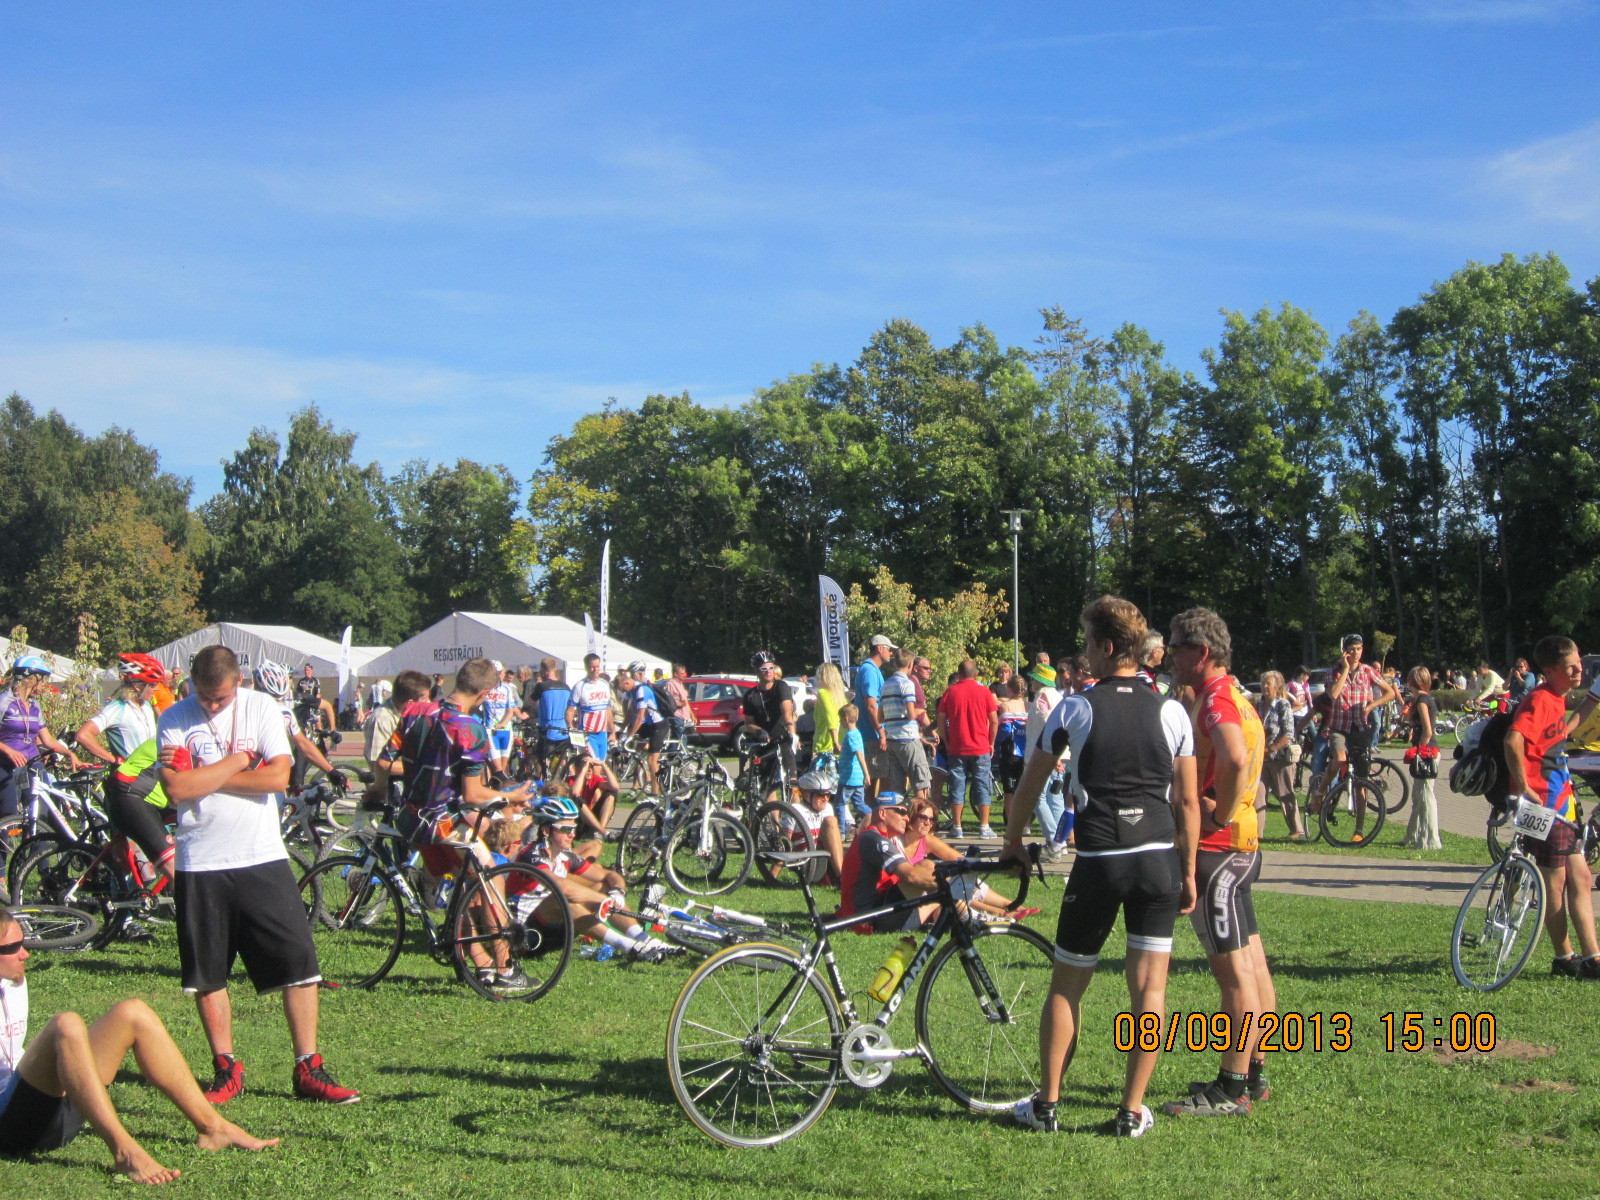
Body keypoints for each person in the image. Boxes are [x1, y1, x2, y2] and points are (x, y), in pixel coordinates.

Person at [1003, 595, 1198, 1138]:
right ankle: (1131, 1111)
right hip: (1157, 861)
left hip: (1099, 860)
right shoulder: (1172, 710)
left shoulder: (1075, 707)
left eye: (1088, 642)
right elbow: (1186, 803)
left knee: (1067, 985)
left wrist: (1013, 839)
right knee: (1149, 992)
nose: (1083, 652)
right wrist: (1187, 873)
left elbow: (1033, 779)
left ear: (1108, 647)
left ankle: (1047, 1105)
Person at [156, 645, 358, 1105]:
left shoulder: (262, 707)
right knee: (207, 974)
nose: (212, 705)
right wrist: (240, 760)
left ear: (239, 682)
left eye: (221, 697)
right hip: (200, 860)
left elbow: (276, 779)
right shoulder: (174, 717)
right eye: (204, 696)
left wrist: (205, 776)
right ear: (191, 682)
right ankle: (226, 1068)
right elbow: (176, 789)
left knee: (299, 964)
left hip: (260, 855)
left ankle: (309, 1068)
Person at [0, 908, 278, 1182]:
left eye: (23, 944)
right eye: (12, 948)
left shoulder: (13, 981)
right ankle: (125, 1153)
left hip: (51, 1113)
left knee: (133, 1013)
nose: (25, 954)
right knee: (67, 1024)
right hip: (11, 1127)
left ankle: (213, 1128)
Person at [1161, 607, 1274, 1117]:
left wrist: (1219, 812)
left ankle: (1231, 1089)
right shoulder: (1239, 698)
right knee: (1253, 967)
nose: (1170, 655)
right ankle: (1253, 1072)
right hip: (1242, 848)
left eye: (1177, 646)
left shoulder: (1217, 701)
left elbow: (1233, 757)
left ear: (1202, 652)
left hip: (1218, 850)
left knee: (1234, 976)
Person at [374, 657, 535, 990]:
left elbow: (383, 761)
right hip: (444, 824)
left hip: (412, 820)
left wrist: (376, 791)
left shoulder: (415, 711)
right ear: (486, 693)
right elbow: (472, 793)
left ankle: (481, 965)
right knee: (491, 879)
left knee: (463, 890)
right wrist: (509, 797)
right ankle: (504, 970)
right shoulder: (470, 729)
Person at [1505, 636, 1600, 977]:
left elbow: (1560, 734)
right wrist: (1524, 786)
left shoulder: (1557, 699)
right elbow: (1512, 740)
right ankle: (1564, 958)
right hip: (1542, 805)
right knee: (1554, 882)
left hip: (1561, 804)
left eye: (1578, 664)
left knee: (1581, 876)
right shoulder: (1540, 699)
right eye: (1569, 667)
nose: (1578, 671)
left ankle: (1592, 957)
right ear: (1549, 670)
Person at [515, 795, 675, 962]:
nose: (573, 835)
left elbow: (609, 875)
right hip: (524, 937)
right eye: (566, 829)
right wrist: (602, 900)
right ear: (546, 831)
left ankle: (644, 939)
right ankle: (631, 947)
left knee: (605, 887)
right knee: (561, 899)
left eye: (574, 828)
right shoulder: (531, 855)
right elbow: (562, 887)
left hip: (553, 930)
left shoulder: (565, 856)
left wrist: (617, 892)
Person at [1315, 634, 1397, 833]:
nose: (1355, 653)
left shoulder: (1367, 671)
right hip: (1339, 727)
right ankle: (1320, 791)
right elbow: (1334, 694)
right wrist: (1344, 669)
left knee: (1361, 782)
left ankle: (1359, 831)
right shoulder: (1334, 671)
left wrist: (1371, 706)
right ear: (1345, 652)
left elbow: (1390, 692)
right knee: (1340, 758)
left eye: (1358, 649)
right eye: (1351, 649)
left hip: (1360, 728)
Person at [0, 656, 86, 817]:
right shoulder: (4, 701)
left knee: (41, 812)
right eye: (42, 680)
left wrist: (70, 754)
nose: (43, 684)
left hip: (32, 763)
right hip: (6, 764)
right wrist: (9, 751)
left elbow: (47, 739)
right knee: (9, 814)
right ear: (31, 679)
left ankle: (39, 834)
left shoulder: (34, 706)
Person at [837, 797, 940, 931]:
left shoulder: (876, 837)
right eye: (901, 812)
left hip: (875, 911)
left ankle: (955, 918)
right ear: (882, 813)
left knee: (929, 873)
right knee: (931, 877)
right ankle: (962, 918)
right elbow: (911, 876)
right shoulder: (874, 839)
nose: (907, 818)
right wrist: (951, 883)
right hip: (867, 921)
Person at [936, 661, 1000, 842]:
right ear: (976, 674)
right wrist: (991, 742)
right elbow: (994, 720)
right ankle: (984, 827)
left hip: (957, 746)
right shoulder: (985, 692)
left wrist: (947, 740)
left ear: (959, 673)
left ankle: (957, 826)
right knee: (982, 784)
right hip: (981, 746)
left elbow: (940, 718)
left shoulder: (950, 692)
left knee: (957, 785)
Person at [76, 653, 166, 765]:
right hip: (129, 774)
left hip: (150, 771)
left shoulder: (146, 706)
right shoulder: (118, 708)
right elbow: (83, 735)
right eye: (152, 685)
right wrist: (114, 760)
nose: (156, 689)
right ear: (138, 687)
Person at [1021, 662, 1067, 853]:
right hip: (1061, 754)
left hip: (1043, 755)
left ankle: (1053, 838)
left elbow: (1046, 723)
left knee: (1036, 797)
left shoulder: (1042, 697)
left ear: (1040, 681)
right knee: (1055, 797)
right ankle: (1060, 839)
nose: (1031, 682)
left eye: (1033, 679)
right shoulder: (1058, 696)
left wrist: (1053, 755)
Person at [879, 649, 931, 804]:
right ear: (910, 665)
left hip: (892, 739)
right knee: (921, 783)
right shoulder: (907, 684)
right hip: (908, 738)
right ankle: (920, 814)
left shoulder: (886, 684)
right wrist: (919, 711)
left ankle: (899, 814)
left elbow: (880, 717)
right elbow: (911, 714)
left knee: (897, 787)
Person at [1401, 667, 1443, 850]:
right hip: (1427, 751)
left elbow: (1427, 731)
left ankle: (1430, 840)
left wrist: (1419, 750)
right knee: (1418, 796)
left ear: (1412, 681)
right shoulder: (1420, 699)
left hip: (1428, 752)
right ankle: (1411, 835)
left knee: (1426, 797)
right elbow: (1411, 722)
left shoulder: (1423, 701)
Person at [1259, 671, 1304, 839]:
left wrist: (1272, 748)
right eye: (1263, 683)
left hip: (1280, 757)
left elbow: (1289, 733)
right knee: (1258, 794)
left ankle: (1296, 830)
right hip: (1261, 758)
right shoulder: (1259, 705)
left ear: (1277, 687)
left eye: (1268, 683)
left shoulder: (1282, 704)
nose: (1265, 686)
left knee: (1285, 795)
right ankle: (1256, 834)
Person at [743, 651, 798, 782]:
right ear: (757, 671)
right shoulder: (750, 695)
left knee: (792, 781)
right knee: (767, 783)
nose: (768, 671)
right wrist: (758, 730)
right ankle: (768, 796)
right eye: (764, 669)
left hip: (783, 739)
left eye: (771, 667)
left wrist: (792, 736)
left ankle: (793, 797)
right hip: (764, 743)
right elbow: (748, 723)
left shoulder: (781, 686)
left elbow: (787, 713)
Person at [852, 634, 896, 798]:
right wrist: (881, 732)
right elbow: (871, 705)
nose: (891, 653)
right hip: (871, 735)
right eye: (889, 649)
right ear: (879, 648)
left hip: (873, 734)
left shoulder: (872, 670)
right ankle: (874, 811)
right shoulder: (869, 670)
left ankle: (875, 810)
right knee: (877, 778)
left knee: (880, 776)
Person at [363, 670, 430, 766]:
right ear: (410, 703)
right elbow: (378, 764)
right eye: (425, 699)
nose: (429, 702)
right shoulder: (381, 719)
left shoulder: (419, 715)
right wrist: (423, 768)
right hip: (394, 775)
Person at [794, 770, 847, 880]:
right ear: (807, 795)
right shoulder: (796, 809)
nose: (826, 799)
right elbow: (783, 843)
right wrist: (771, 877)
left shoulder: (828, 808)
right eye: (820, 795)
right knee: (831, 821)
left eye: (828, 795)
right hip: (808, 863)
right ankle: (842, 878)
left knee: (868, 818)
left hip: (826, 859)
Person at [626, 661, 668, 793]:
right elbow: (631, 711)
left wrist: (630, 734)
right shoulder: (635, 689)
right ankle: (656, 753)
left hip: (659, 724)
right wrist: (624, 729)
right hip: (650, 725)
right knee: (635, 744)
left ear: (640, 673)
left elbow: (640, 716)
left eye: (632, 674)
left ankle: (655, 793)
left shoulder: (642, 689)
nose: (630, 676)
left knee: (651, 761)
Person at [478, 661, 523, 777]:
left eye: (502, 672)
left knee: (503, 769)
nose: (502, 675)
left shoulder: (507, 689)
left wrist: (503, 723)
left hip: (506, 731)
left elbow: (510, 711)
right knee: (497, 768)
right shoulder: (484, 689)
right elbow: (476, 707)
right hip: (491, 731)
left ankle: (499, 787)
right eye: (501, 673)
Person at [567, 654, 615, 761]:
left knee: (601, 764)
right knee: (594, 762)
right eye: (592, 667)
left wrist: (612, 731)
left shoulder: (605, 684)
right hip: (587, 733)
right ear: (586, 667)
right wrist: (571, 728)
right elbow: (570, 710)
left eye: (597, 666)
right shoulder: (580, 686)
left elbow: (607, 710)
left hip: (602, 733)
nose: (595, 670)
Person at [836, 703, 871, 829]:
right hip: (858, 778)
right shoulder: (857, 733)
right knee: (859, 804)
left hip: (848, 778)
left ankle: (841, 831)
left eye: (840, 719)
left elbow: (859, 754)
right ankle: (874, 819)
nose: (840, 722)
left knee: (839, 804)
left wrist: (867, 774)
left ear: (845, 719)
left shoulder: (851, 735)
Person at [811, 662, 847, 771]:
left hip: (826, 746)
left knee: (819, 780)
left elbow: (831, 717)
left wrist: (835, 742)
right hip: (842, 745)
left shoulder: (823, 693)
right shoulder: (841, 696)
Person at [665, 663, 696, 742]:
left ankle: (673, 750)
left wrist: (691, 715)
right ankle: (678, 750)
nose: (684, 675)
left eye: (684, 673)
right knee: (681, 738)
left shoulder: (680, 684)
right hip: (677, 715)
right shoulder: (670, 684)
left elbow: (685, 701)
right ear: (675, 674)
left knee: (680, 739)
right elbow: (667, 701)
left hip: (685, 716)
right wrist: (678, 704)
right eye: (682, 673)